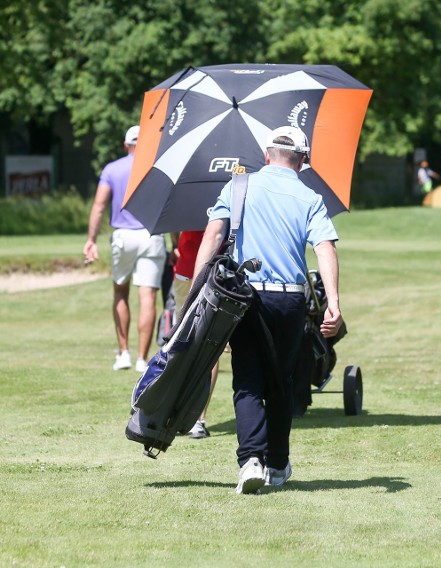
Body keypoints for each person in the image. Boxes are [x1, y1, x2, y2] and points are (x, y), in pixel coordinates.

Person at [193, 125, 342, 494]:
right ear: (303, 160)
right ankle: (277, 465)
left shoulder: (238, 186)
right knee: (281, 382)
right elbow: (325, 247)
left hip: (246, 297)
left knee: (246, 380)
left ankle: (251, 462)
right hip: (290, 300)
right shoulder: (310, 196)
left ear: (265, 155)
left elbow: (212, 235)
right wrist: (334, 303)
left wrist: (198, 288)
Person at [84, 126, 167, 373]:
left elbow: (99, 206)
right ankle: (142, 359)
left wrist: (91, 239)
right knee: (148, 296)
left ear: (125, 145)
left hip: (123, 236)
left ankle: (124, 354)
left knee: (121, 291)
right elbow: (166, 206)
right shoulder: (156, 168)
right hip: (151, 235)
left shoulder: (112, 169)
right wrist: (173, 242)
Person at [170, 230, 219, 439]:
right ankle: (198, 419)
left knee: (182, 341)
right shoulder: (232, 196)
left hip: (186, 269)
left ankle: (176, 412)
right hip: (218, 272)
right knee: (212, 344)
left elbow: (173, 224)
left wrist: (175, 243)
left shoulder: (185, 195)